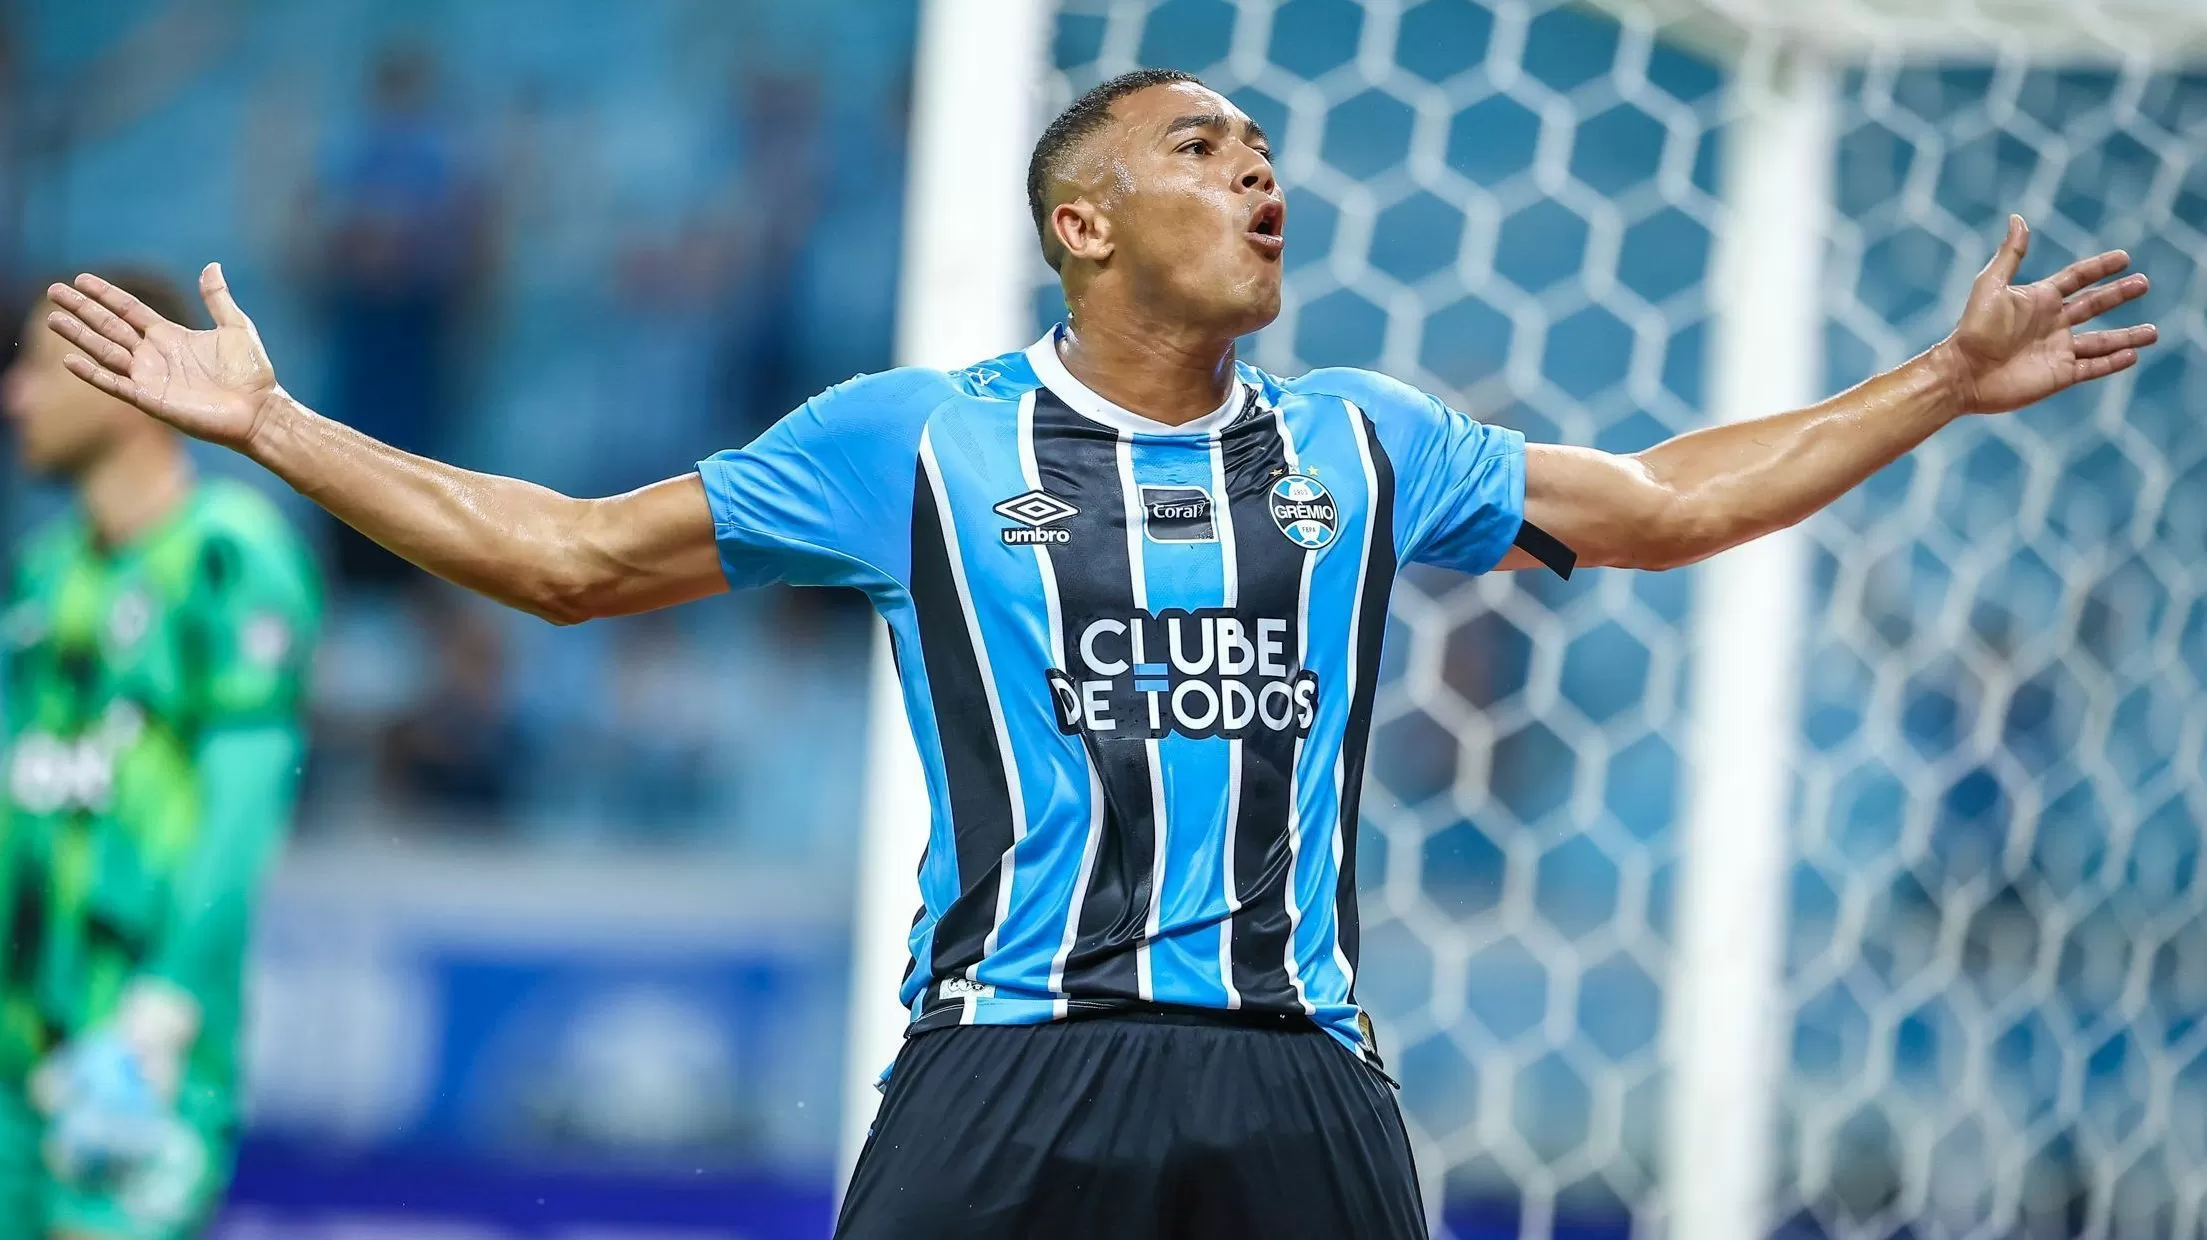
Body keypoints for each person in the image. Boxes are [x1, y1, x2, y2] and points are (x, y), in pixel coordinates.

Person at [43, 68, 2153, 1239]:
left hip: (1294, 1074)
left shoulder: (1364, 442)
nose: (1260, 176)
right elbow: (573, 561)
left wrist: (1933, 382)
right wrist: (274, 424)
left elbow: (1664, 502)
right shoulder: (913, 441)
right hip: (1009, 1064)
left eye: (1267, 156)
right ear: (1083, 222)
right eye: (1204, 151)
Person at [2, 270, 321, 1240]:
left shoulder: (229, 557)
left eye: (33, 363)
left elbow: (243, 809)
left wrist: (161, 1018)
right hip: (13, 1067)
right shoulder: (42, 578)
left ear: (122, 374)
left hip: (138, 1066)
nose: (14, 394)